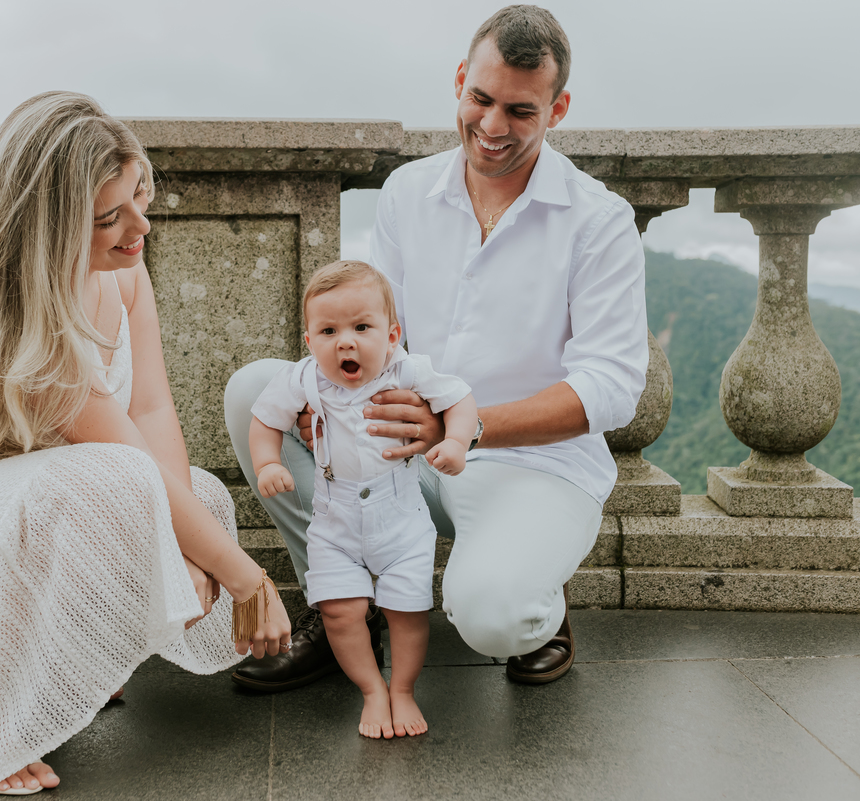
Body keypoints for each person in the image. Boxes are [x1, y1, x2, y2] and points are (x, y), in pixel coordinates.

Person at [0, 91, 290, 796]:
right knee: (110, 486)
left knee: (200, 500)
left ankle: (62, 665)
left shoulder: (123, 271)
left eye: (138, 197)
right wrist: (247, 576)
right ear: (49, 226)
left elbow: (152, 408)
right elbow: (124, 461)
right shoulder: (17, 314)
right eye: (109, 217)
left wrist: (196, 545)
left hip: (13, 502)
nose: (140, 227)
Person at [224, 5, 646, 691]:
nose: (491, 126)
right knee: (256, 392)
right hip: (407, 448)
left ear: (558, 107)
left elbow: (613, 387)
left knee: (492, 615)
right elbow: (374, 330)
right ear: (459, 81)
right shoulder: (406, 192)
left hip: (534, 465)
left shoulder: (599, 222)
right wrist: (328, 400)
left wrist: (468, 425)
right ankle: (345, 610)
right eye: (480, 99)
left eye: (520, 110)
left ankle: (537, 605)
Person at [250, 260, 476, 738]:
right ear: (309, 341)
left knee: (407, 609)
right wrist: (269, 461)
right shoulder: (305, 378)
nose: (345, 342)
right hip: (335, 518)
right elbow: (266, 418)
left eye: (361, 327)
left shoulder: (406, 369)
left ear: (392, 335)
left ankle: (403, 689)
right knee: (340, 609)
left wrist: (455, 441)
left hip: (401, 515)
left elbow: (459, 399)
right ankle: (372, 689)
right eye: (329, 330)